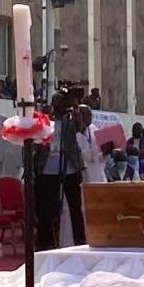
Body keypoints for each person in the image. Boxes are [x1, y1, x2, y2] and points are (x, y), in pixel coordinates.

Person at [35, 90, 85, 249]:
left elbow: (81, 127)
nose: (60, 108)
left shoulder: (70, 120)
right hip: (48, 169)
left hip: (69, 168)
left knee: (75, 207)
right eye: (58, 104)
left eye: (63, 104)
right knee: (46, 209)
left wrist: (76, 107)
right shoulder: (45, 120)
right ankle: (45, 242)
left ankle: (80, 241)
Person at [77, 104, 107, 184]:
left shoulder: (94, 129)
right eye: (87, 115)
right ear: (79, 115)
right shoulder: (73, 130)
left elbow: (101, 152)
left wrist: (106, 151)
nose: (90, 117)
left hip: (97, 172)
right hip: (82, 174)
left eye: (91, 115)